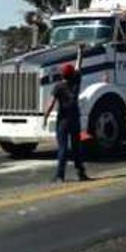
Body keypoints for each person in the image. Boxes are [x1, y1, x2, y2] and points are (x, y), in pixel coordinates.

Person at [43, 45, 90, 182]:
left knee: (63, 147)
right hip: (75, 118)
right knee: (76, 147)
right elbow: (78, 66)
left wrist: (45, 117)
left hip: (63, 120)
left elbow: (51, 103)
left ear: (62, 75)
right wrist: (80, 53)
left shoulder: (58, 87)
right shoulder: (76, 81)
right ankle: (80, 172)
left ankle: (60, 175)